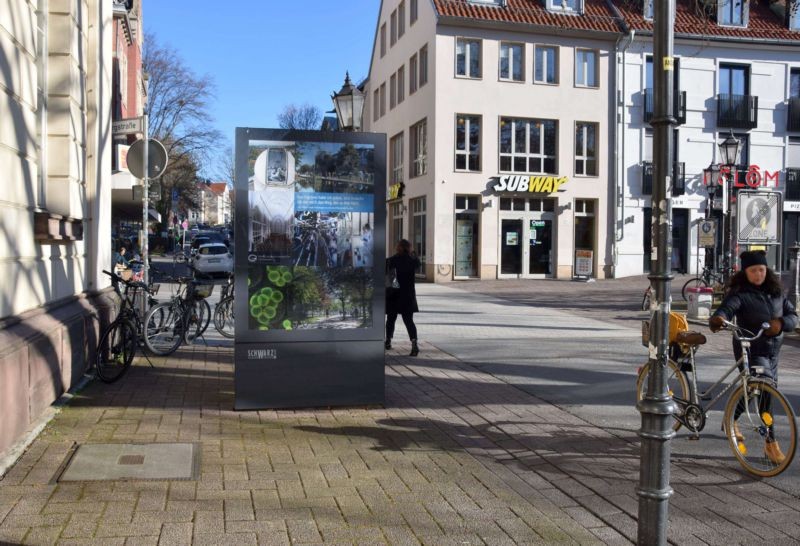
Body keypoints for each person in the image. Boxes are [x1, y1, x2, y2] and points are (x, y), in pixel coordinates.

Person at [709, 250, 798, 464]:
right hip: (750, 349)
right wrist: (719, 319)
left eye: (761, 270)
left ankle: (732, 417)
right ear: (745, 272)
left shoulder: (776, 292)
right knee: (765, 396)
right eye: (753, 271)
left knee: (752, 391)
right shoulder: (740, 293)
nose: (758, 274)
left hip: (773, 351)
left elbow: (793, 315)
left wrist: (782, 324)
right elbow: (726, 309)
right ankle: (771, 444)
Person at [385, 239, 420, 356]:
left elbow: (387, 274)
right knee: (409, 321)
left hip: (394, 294)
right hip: (408, 295)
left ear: (399, 247)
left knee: (391, 319)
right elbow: (417, 263)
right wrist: (412, 253)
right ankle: (414, 343)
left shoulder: (392, 260)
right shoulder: (412, 260)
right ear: (408, 248)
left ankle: (388, 341)